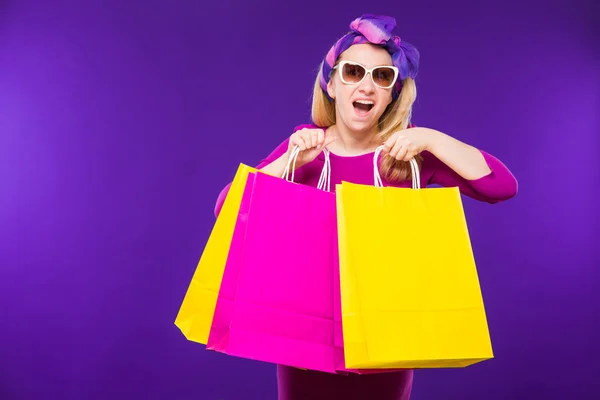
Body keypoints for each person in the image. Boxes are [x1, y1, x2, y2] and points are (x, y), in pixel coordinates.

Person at [213, 13, 517, 400]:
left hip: (386, 344)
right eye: (353, 72)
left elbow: (501, 186)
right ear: (332, 85)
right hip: (305, 342)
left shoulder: (407, 154)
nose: (367, 86)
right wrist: (287, 163)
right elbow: (228, 209)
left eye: (382, 77)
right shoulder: (306, 149)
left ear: (393, 93)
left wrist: (430, 138)